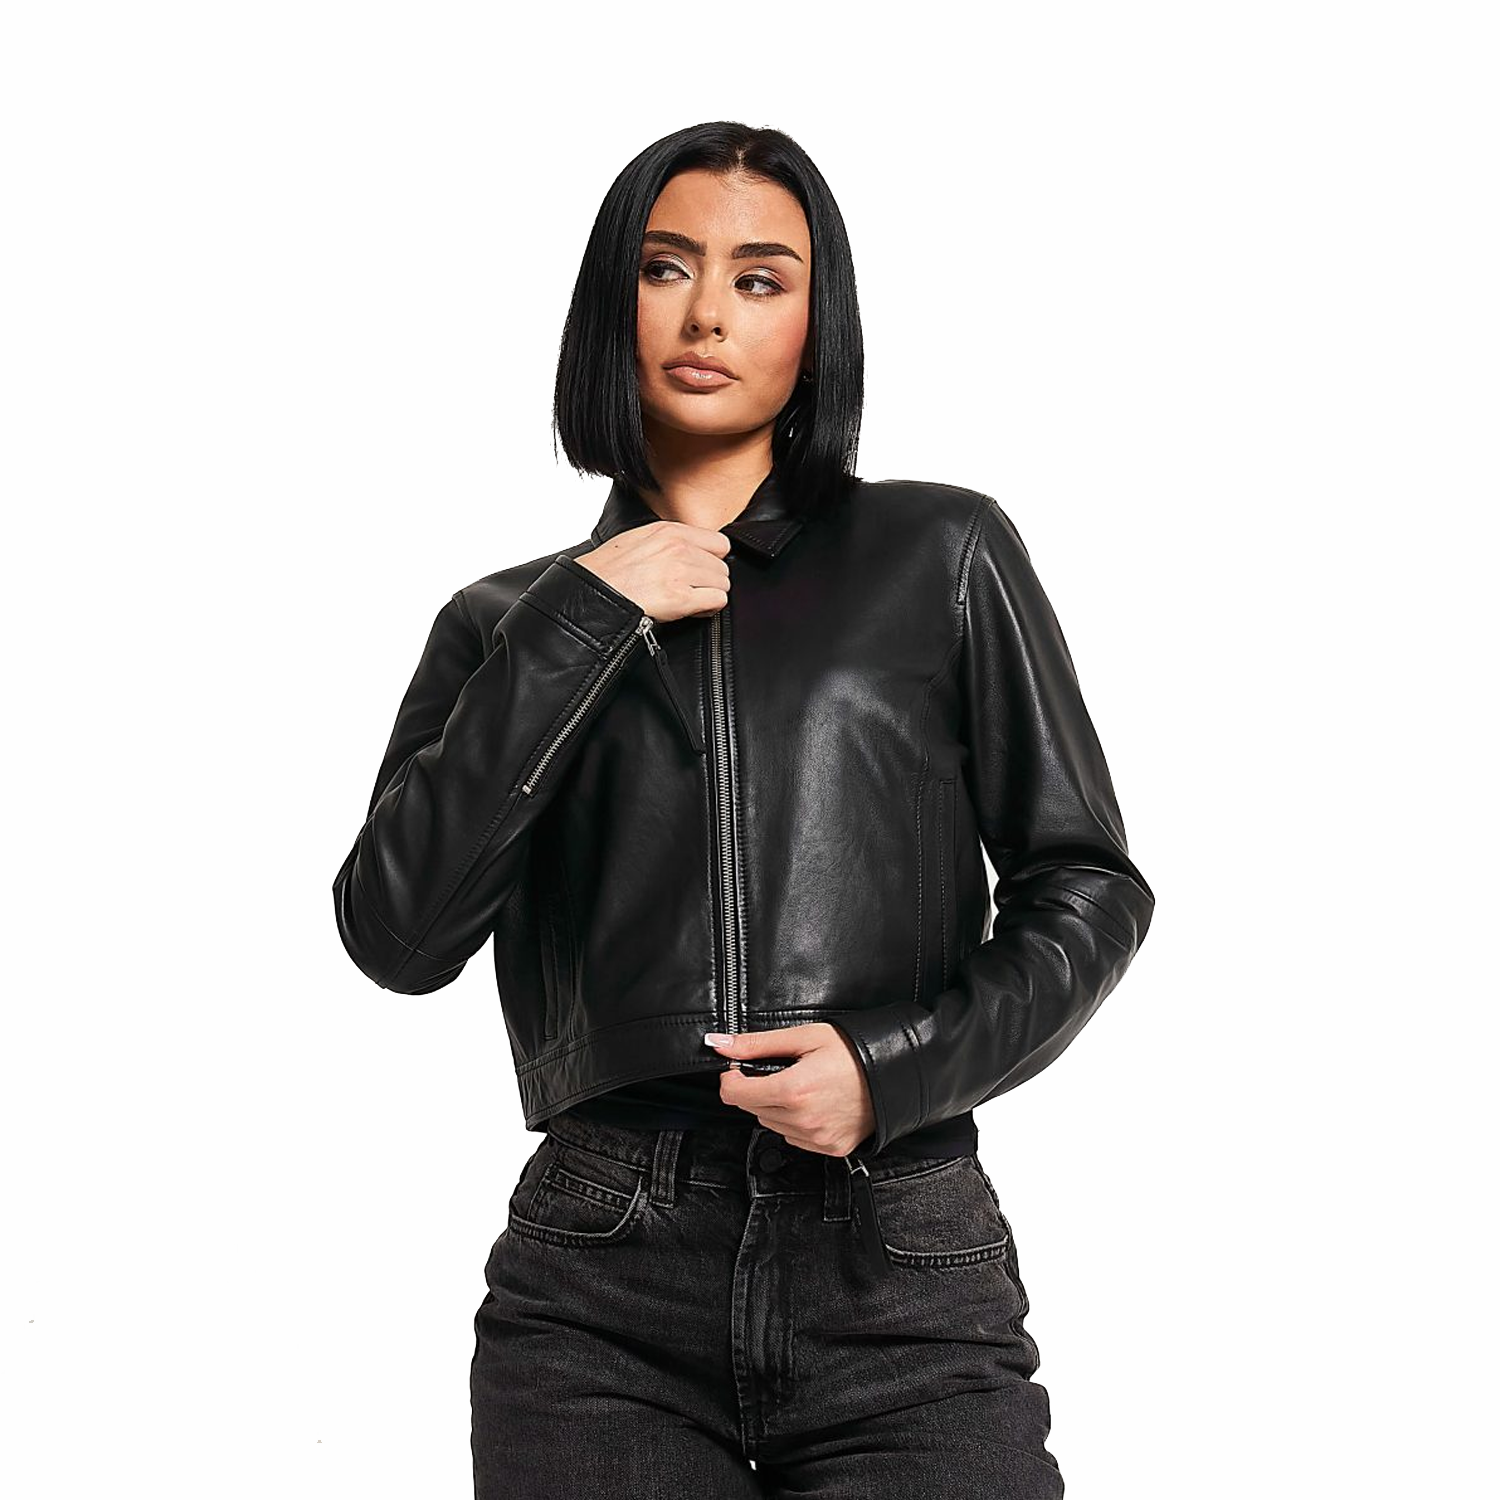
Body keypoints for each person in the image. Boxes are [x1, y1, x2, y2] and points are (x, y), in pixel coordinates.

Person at [332, 120, 1155, 1499]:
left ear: (816, 327)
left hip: (899, 1245)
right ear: (613, 306)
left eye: (760, 278)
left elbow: (1087, 884)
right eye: (667, 269)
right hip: (603, 1278)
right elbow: (397, 935)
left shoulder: (940, 550)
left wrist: (894, 1068)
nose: (708, 311)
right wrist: (582, 618)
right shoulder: (503, 624)